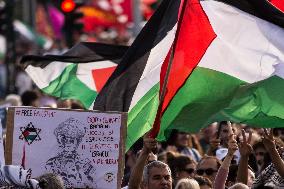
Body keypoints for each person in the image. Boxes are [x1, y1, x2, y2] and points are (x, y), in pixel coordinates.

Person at [45, 118, 95, 187]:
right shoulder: (51, 163)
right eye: (64, 139)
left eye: (71, 140)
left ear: (78, 141)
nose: (67, 143)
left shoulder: (85, 165)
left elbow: (92, 184)